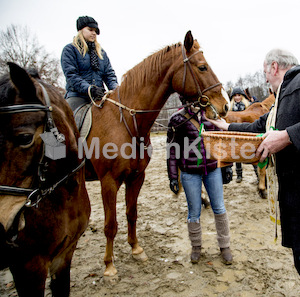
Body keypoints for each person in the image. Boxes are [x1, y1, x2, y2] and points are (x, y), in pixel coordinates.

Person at [206, 48, 300, 274]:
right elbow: (258, 126)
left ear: (274, 67)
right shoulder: (280, 100)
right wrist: (226, 127)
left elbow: (284, 132)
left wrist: (287, 136)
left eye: (265, 72)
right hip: (292, 194)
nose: (265, 78)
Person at [166, 105, 233, 265]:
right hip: (189, 172)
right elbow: (172, 149)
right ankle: (196, 246)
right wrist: (173, 176)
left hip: (212, 169)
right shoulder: (178, 119)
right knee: (194, 211)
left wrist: (228, 165)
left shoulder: (212, 114)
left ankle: (225, 246)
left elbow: (222, 140)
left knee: (219, 208)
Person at [61, 16, 118, 111]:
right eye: (90, 30)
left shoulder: (101, 53)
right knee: (69, 122)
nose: (94, 33)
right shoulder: (70, 50)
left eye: (96, 31)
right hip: (77, 97)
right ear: (80, 30)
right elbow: (71, 75)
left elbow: (109, 75)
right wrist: (90, 89)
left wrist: (117, 91)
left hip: (99, 97)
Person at [229, 87, 259, 183]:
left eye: (239, 95)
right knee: (237, 153)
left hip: (247, 131)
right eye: (235, 96)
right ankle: (239, 175)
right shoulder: (230, 108)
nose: (237, 97)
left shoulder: (248, 106)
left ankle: (258, 175)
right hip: (235, 132)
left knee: (251, 153)